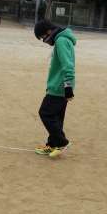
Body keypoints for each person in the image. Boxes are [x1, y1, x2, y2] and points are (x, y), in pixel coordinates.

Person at [34, 19, 76, 158]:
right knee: (57, 117)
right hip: (60, 86)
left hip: (59, 87)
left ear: (48, 31)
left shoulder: (61, 41)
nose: (44, 41)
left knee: (45, 113)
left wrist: (68, 86)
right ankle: (52, 145)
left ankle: (62, 142)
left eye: (43, 37)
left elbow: (68, 65)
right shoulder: (62, 40)